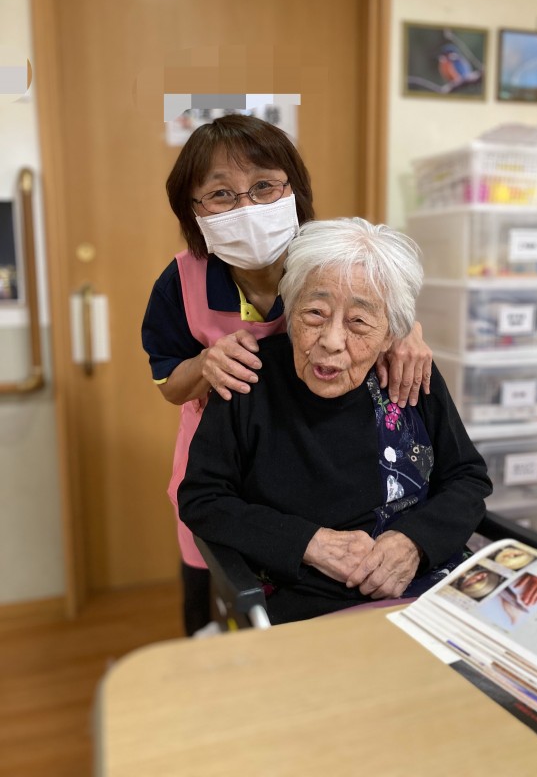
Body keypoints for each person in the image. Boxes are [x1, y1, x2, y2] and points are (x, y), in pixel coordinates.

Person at [142, 115, 433, 635]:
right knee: (218, 586)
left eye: (264, 186)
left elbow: (380, 297)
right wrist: (205, 365)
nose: (246, 207)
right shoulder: (181, 281)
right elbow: (168, 383)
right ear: (193, 209)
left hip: (314, 455)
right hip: (224, 460)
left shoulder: (323, 260)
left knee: (322, 578)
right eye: (221, 194)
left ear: (293, 189)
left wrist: (407, 331)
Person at [178, 218, 493, 624]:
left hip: (431, 586)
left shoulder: (409, 376)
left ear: (390, 335)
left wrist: (414, 543)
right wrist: (309, 543)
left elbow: (468, 477)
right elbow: (203, 498)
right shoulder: (248, 379)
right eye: (314, 313)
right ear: (290, 311)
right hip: (311, 603)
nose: (331, 340)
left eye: (358, 322)